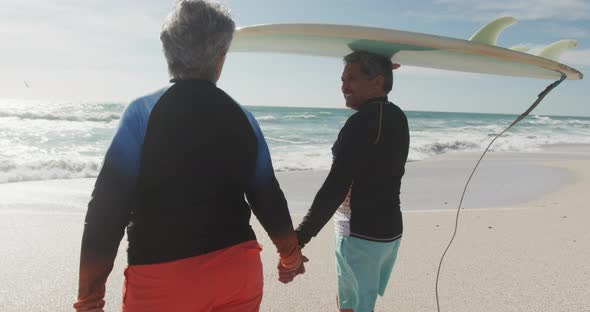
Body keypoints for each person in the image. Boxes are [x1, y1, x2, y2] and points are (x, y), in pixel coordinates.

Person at [74, 1, 305, 311]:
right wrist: (289, 254)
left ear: (167, 51)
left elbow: (107, 207)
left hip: (164, 278)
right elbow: (267, 194)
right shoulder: (244, 118)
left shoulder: (142, 113)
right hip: (238, 272)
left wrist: (90, 295)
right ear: (221, 58)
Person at [295, 51, 409, 312]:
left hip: (359, 235)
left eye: (352, 78)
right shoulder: (398, 117)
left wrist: (300, 236)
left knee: (352, 306)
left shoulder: (360, 123)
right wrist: (380, 67)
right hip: (389, 233)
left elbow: (336, 187)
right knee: (360, 303)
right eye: (343, 79)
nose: (344, 86)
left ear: (377, 82)